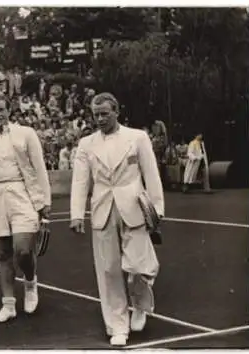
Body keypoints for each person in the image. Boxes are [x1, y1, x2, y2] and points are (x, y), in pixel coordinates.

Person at [69, 93, 164, 346]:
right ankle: (117, 326)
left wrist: (157, 209)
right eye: (95, 114)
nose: (99, 119)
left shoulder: (138, 137)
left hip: (135, 207)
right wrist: (77, 214)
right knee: (109, 269)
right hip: (102, 208)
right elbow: (80, 181)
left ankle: (140, 305)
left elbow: (151, 174)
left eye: (104, 114)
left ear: (117, 112)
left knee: (138, 268)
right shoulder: (86, 144)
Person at [0, 94, 51, 323]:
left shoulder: (26, 133)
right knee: (4, 252)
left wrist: (45, 201)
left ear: (9, 110)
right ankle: (8, 304)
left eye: (1, 110)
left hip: (23, 194)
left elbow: (39, 168)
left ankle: (31, 281)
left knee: (23, 249)